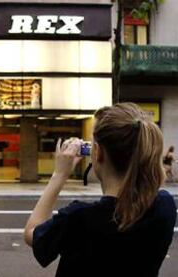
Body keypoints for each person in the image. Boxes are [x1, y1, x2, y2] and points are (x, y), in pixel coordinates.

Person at [24, 103, 176, 277]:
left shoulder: (78, 217)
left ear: (97, 152)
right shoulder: (164, 206)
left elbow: (32, 234)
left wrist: (59, 174)